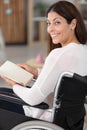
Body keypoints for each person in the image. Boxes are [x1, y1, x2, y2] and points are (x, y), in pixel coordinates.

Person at [1, 0, 87, 129]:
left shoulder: (58, 54)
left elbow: (33, 98)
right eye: (48, 23)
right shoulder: (83, 51)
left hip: (45, 122)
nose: (50, 29)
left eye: (57, 22)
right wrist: (36, 72)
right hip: (72, 122)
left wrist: (14, 85)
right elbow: (64, 80)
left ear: (73, 24)